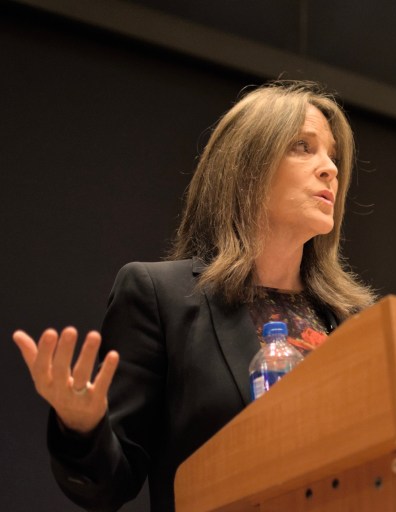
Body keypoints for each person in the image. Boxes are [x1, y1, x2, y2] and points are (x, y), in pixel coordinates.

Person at [11, 80, 376, 511]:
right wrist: (81, 427)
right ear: (246, 168)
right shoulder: (160, 297)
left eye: (332, 155)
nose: (330, 168)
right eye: (303, 146)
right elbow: (110, 485)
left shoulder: (352, 320)